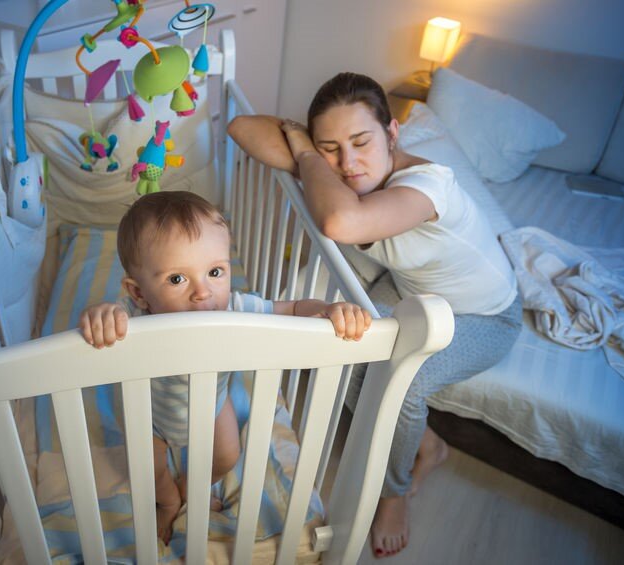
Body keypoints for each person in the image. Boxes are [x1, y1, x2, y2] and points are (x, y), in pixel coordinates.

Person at [228, 72, 522, 558]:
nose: (348, 164)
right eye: (332, 148)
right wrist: (305, 141)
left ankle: (394, 491)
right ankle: (429, 444)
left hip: (484, 315)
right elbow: (240, 127)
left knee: (403, 382)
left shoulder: (428, 186)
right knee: (348, 345)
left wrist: (306, 152)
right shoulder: (341, 169)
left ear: (392, 133)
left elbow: (340, 221)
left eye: (362, 142)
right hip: (413, 291)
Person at [79, 190, 373, 544]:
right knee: (147, 472)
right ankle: (169, 501)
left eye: (215, 272)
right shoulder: (134, 316)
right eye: (177, 279)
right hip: (150, 416)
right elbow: (107, 320)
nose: (203, 292)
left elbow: (293, 309)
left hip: (213, 406)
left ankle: (191, 486)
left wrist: (327, 310)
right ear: (139, 293)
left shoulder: (233, 308)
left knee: (226, 456)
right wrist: (101, 316)